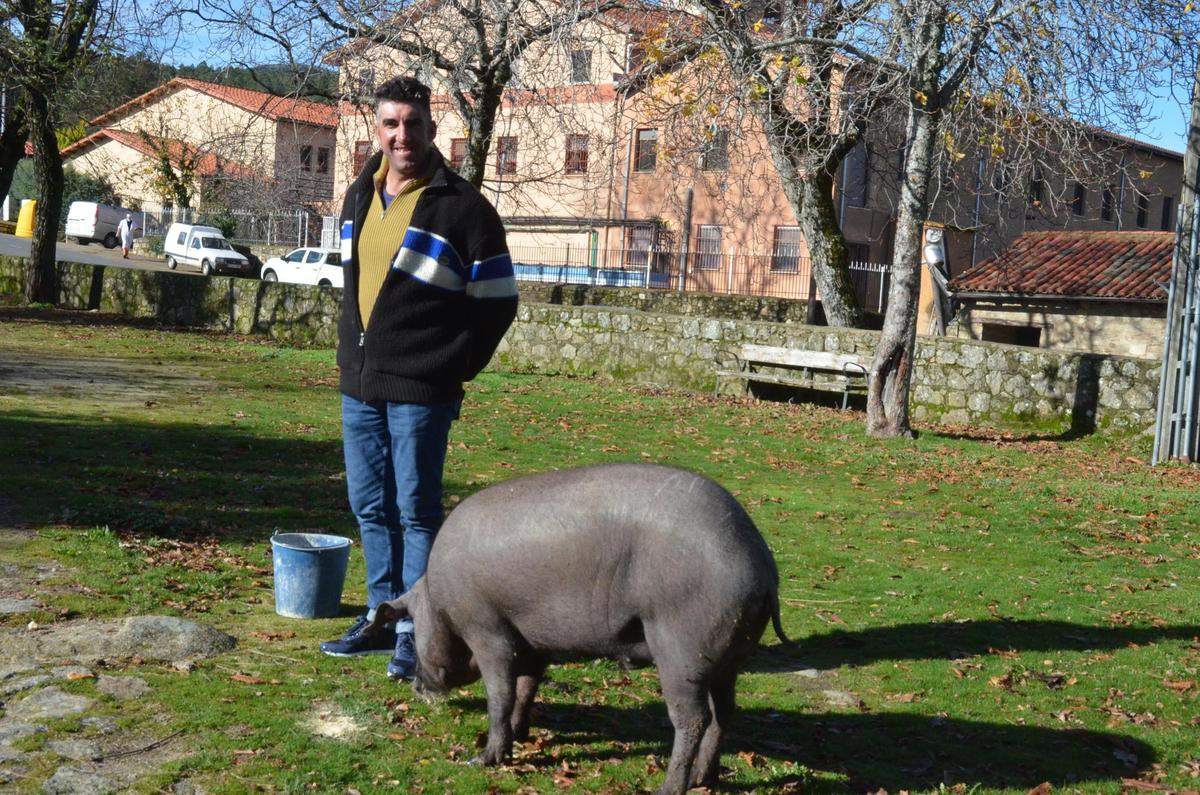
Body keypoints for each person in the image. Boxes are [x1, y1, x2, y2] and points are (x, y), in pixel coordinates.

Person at [318, 75, 518, 681]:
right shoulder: (359, 193)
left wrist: (453, 366)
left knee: (416, 508)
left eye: (413, 124)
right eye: (391, 124)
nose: (402, 135)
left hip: (421, 390)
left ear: (433, 129)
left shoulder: (465, 209)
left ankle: (421, 630)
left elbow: (498, 300)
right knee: (369, 505)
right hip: (361, 383)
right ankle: (385, 616)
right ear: (376, 130)